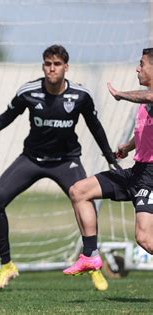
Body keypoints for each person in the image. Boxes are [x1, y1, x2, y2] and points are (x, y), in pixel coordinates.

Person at [0, 44, 117, 291]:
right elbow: (5, 118)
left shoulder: (80, 95)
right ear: (43, 66)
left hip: (66, 160)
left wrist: (109, 157)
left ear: (66, 67)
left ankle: (92, 262)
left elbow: (95, 125)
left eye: (57, 64)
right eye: (48, 64)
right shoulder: (29, 92)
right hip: (32, 159)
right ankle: (7, 265)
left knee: (85, 201)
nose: (52, 69)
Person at [63, 48, 153, 277]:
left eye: (141, 64)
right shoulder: (145, 102)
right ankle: (90, 256)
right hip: (137, 171)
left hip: (151, 177)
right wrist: (128, 146)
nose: (137, 68)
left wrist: (121, 94)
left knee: (144, 238)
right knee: (79, 191)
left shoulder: (148, 97)